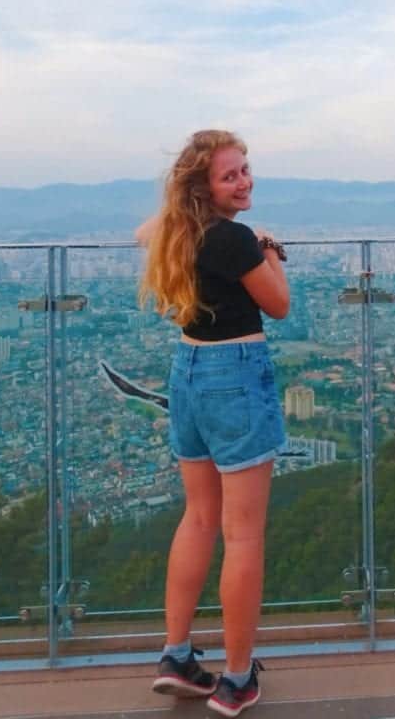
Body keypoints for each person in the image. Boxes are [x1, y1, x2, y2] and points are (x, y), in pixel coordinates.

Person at [136, 129, 289, 717]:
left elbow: (143, 231)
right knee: (243, 533)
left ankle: (176, 656)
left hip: (188, 372)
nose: (244, 180)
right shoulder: (234, 239)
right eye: (230, 175)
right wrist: (269, 247)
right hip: (236, 376)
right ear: (205, 187)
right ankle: (236, 677)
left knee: (198, 518)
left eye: (245, 169)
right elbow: (278, 304)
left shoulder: (179, 231)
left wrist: (186, 203)